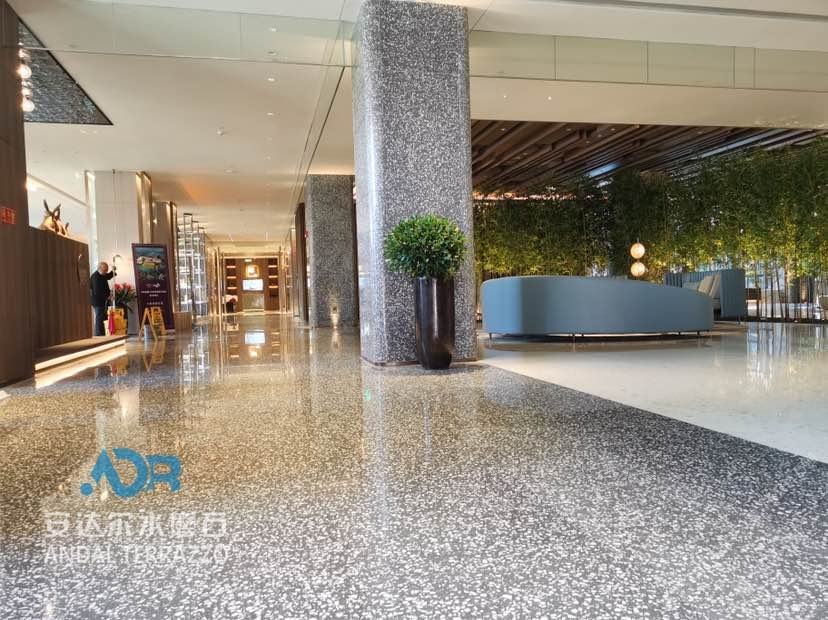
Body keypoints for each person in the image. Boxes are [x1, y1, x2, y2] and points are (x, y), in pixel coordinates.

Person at [90, 261, 115, 336]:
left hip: (102, 301)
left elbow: (108, 276)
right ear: (100, 268)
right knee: (99, 318)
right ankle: (98, 335)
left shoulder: (102, 274)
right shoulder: (95, 277)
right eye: (105, 270)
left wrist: (113, 271)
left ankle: (103, 334)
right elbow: (97, 292)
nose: (106, 272)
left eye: (107, 270)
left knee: (103, 317)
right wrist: (108, 297)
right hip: (97, 301)